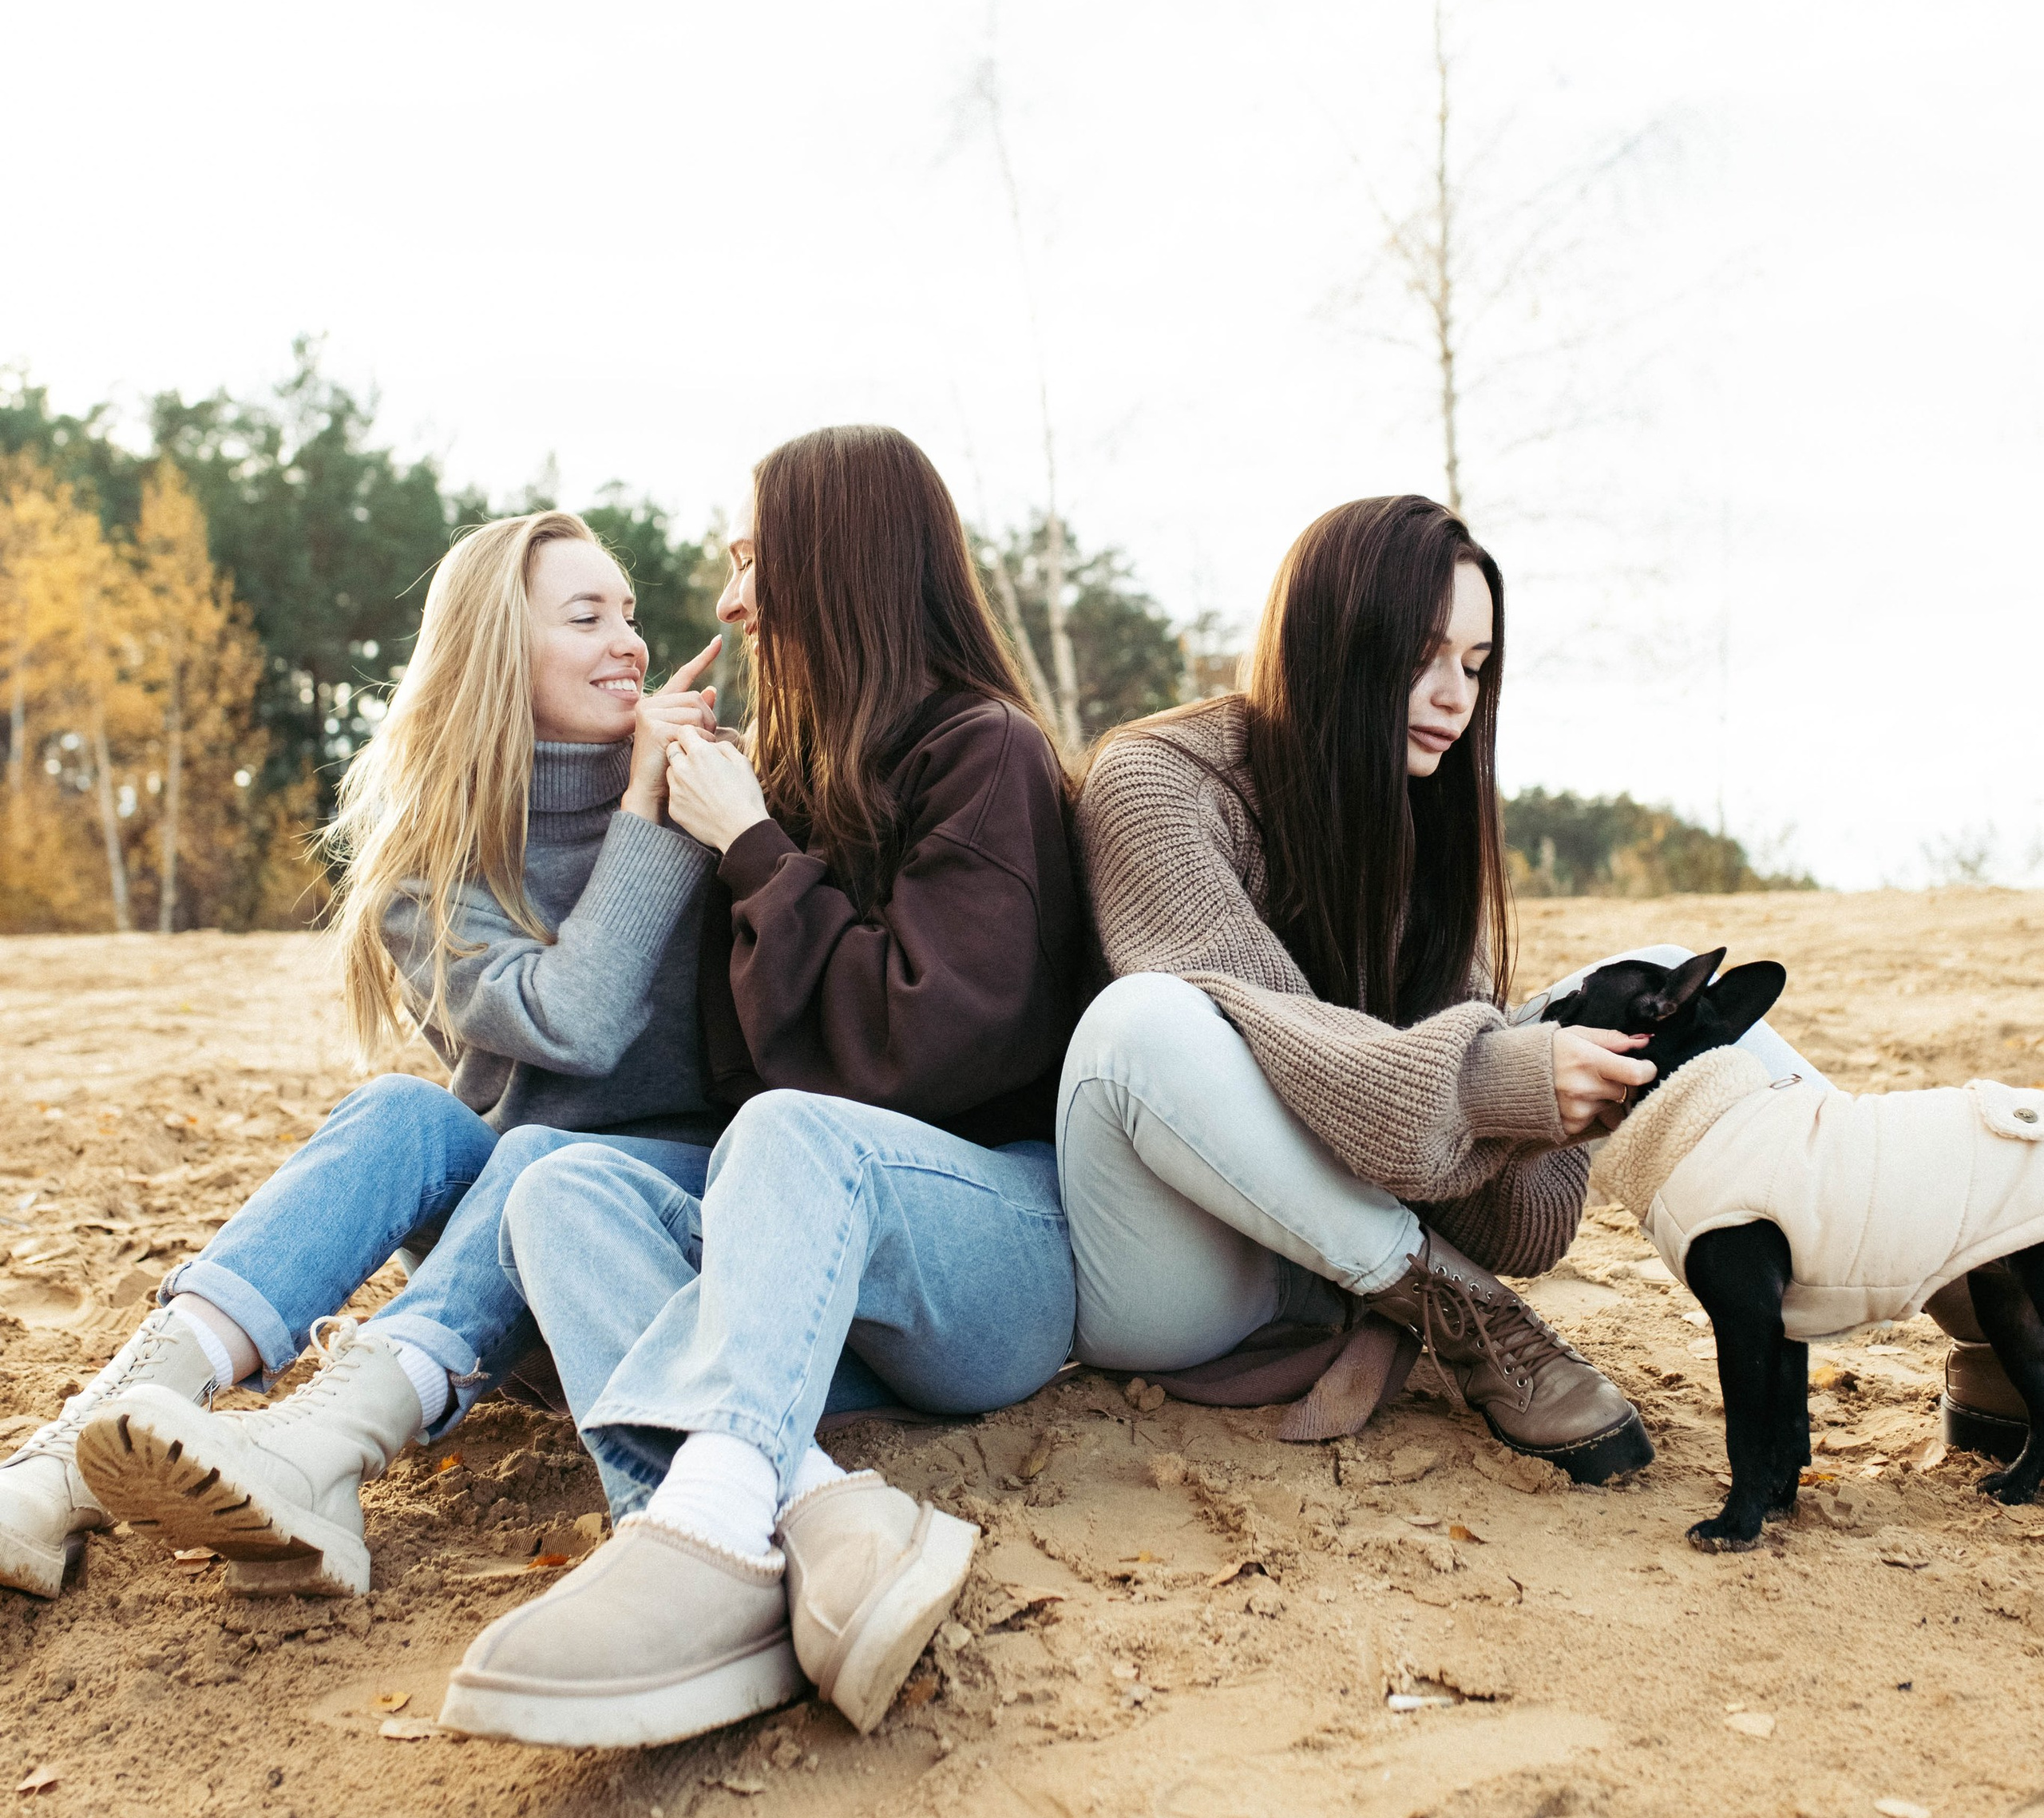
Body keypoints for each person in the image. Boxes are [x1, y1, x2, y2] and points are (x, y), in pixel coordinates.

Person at [434, 424, 1083, 1751]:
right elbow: (729, 1071)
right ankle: (808, 1516)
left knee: (789, 1135)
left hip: (994, 1259)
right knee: (561, 1192)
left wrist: (754, 848)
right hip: (820, 1294)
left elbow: (916, 1051)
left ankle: (712, 1524)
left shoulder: (985, 755)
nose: (730, 602)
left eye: (752, 561)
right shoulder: (786, 774)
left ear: (844, 566)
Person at [6, 511, 723, 1601]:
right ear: (496, 652)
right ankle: (71, 1456)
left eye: (629, 614)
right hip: (494, 1279)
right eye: (588, 618)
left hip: (652, 1239)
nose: (631, 642)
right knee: (406, 1111)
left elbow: (588, 1033)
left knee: (546, 1154)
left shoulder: (705, 797)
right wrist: (640, 806)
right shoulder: (434, 864)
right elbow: (570, 1024)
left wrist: (652, 808)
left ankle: (326, 1448)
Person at [1058, 491, 1667, 1475]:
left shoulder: (1417, 820)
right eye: (1423, 656)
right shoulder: (1157, 779)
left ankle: (1911, 1263)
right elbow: (1277, 1047)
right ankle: (1464, 1315)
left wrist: (1552, 1113)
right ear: (1334, 643)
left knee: (1655, 978)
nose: (1455, 697)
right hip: (1176, 1270)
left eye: (1475, 665)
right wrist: (1493, 1081)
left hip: (1329, 1253)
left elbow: (1520, 1233)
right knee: (1143, 1022)